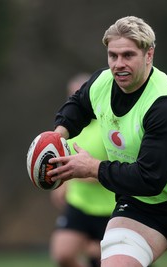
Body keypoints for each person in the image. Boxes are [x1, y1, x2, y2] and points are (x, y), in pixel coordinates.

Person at [47, 16, 167, 267]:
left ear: (149, 55)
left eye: (128, 55)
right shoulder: (102, 82)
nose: (118, 64)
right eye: (113, 55)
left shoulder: (166, 105)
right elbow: (78, 104)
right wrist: (57, 136)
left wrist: (92, 167)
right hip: (139, 205)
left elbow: (150, 178)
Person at [49, 73, 116, 267]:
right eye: (73, 96)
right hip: (79, 204)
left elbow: (109, 170)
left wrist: (77, 174)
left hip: (109, 208)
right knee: (63, 254)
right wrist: (60, 185)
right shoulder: (66, 129)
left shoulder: (108, 126)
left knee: (108, 261)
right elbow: (61, 163)